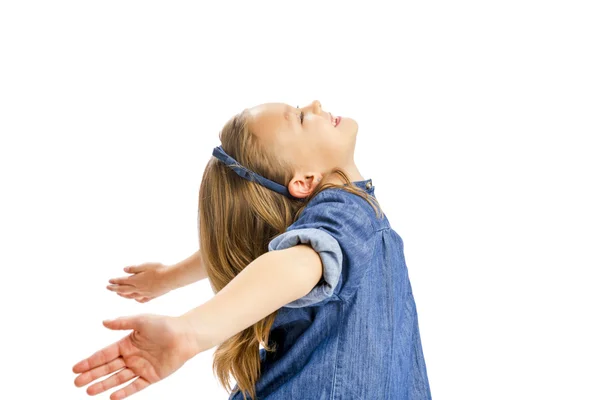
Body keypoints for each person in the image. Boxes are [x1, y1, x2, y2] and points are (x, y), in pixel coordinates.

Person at [72, 100, 432, 400]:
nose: (315, 105)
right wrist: (191, 330)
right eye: (302, 118)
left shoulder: (330, 218)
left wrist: (168, 278)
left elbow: (255, 249)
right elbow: (297, 264)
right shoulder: (348, 212)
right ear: (304, 181)